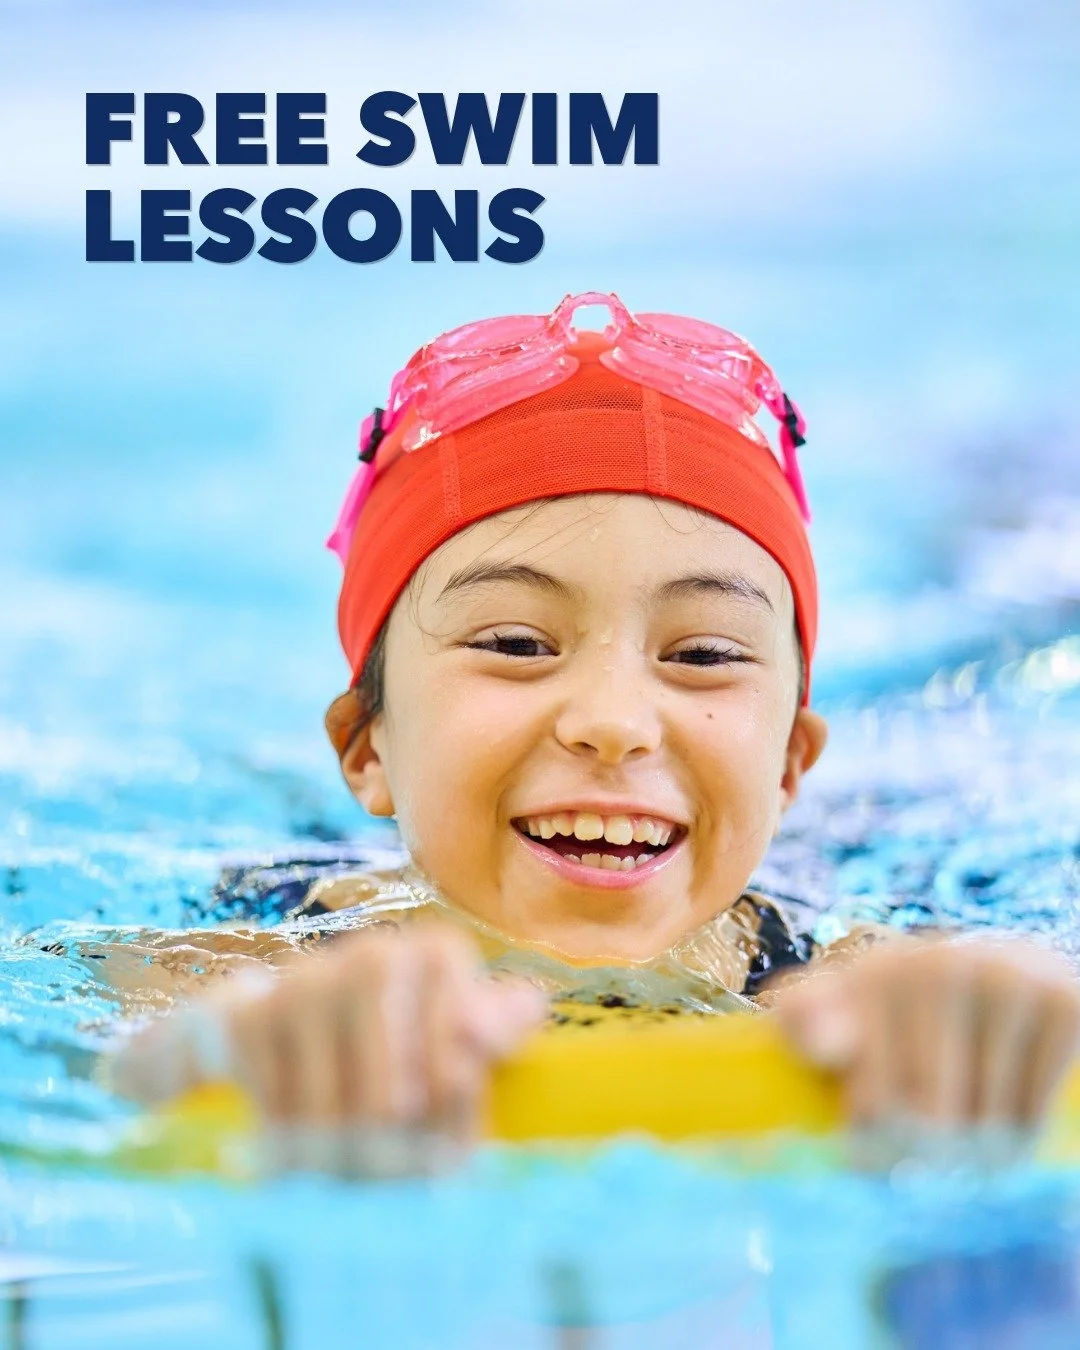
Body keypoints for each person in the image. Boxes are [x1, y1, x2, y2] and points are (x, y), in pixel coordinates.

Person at [110, 292, 1080, 1160]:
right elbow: (107, 1070)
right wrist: (227, 1052)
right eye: (517, 643)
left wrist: (1003, 1016)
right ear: (369, 749)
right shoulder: (245, 969)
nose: (615, 724)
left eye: (704, 654)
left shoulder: (863, 986)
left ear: (790, 766)